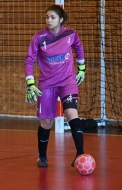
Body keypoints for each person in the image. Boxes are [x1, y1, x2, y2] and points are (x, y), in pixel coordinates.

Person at [24, 5, 86, 167]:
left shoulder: (70, 34)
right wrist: (30, 82)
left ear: (61, 19)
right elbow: (29, 61)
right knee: (46, 123)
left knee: (72, 113)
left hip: (67, 81)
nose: (49, 20)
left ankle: (80, 154)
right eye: (47, 17)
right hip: (47, 84)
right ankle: (42, 156)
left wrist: (82, 68)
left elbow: (79, 48)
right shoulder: (39, 38)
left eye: (52, 17)